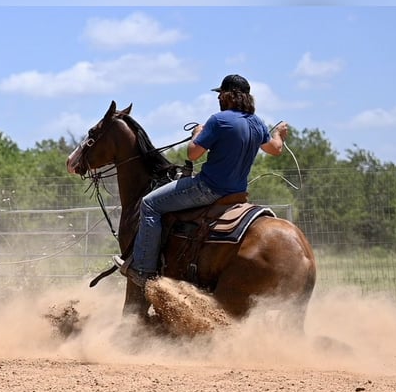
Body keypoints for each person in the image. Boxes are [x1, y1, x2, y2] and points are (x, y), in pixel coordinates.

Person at [114, 74, 289, 287]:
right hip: (238, 194)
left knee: (149, 204)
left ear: (228, 95)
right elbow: (275, 148)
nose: (218, 99)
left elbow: (193, 154)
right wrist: (279, 133)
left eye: (220, 95)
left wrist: (197, 134)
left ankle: (143, 270)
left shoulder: (218, 120)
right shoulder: (257, 123)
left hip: (207, 189)